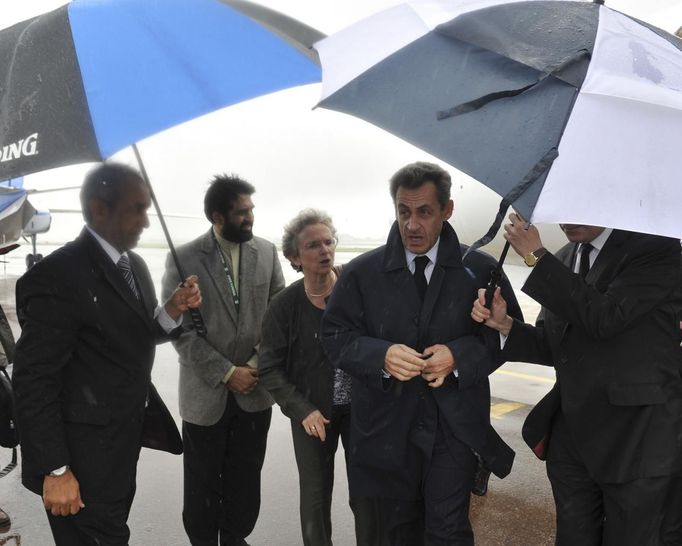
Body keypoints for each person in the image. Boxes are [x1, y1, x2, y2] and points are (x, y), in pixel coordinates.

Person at [322, 162, 521, 546]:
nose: (412, 225)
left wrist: (458, 357)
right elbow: (334, 336)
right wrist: (380, 355)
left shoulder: (480, 270)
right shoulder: (362, 273)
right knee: (398, 534)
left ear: (447, 210)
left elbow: (504, 340)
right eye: (403, 211)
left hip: (454, 426)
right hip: (385, 428)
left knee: (447, 532)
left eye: (424, 212)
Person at [11, 162, 202, 546]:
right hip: (78, 462)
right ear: (100, 209)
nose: (146, 221)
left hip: (119, 449)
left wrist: (172, 310)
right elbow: (33, 379)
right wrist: (55, 469)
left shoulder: (134, 266)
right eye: (137, 208)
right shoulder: (58, 276)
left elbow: (133, 336)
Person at [471, 215, 682, 546]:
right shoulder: (568, 257)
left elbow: (605, 317)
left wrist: (536, 258)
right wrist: (506, 325)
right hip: (574, 436)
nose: (565, 218)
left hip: (637, 437)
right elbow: (556, 345)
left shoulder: (657, 250)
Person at [161, 174, 284, 546]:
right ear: (218, 216)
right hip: (205, 394)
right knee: (201, 483)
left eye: (251, 210)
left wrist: (255, 364)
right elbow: (177, 331)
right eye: (242, 212)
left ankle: (235, 538)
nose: (250, 217)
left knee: (245, 479)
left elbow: (279, 319)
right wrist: (227, 372)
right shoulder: (182, 259)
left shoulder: (267, 251)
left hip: (255, 391)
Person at [259, 209, 381, 546]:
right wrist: (302, 410)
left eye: (328, 242)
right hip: (313, 412)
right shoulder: (284, 306)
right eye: (313, 245)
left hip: (361, 411)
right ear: (294, 257)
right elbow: (268, 367)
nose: (324, 250)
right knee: (315, 498)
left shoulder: (356, 289)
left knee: (367, 496)